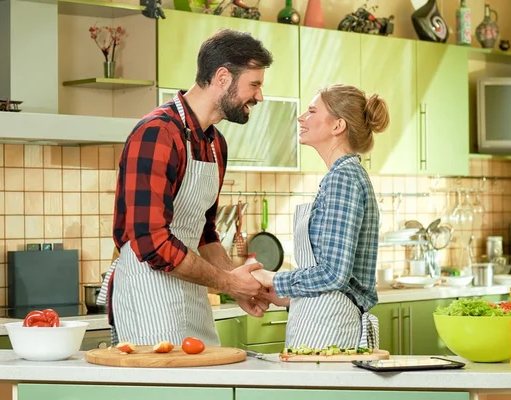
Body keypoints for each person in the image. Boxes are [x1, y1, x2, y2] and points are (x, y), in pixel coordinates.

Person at [97, 28, 274, 347]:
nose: (259, 96)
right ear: (223, 77)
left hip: (192, 292)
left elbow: (205, 233)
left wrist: (238, 281)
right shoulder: (157, 133)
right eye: (255, 84)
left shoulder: (215, 143)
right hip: (147, 295)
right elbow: (152, 241)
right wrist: (230, 284)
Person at [252, 84, 390, 350]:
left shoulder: (343, 178)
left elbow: (334, 274)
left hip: (331, 328)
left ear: (337, 126)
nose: (302, 117)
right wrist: (290, 296)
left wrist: (273, 279)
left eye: (312, 110)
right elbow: (335, 275)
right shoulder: (342, 176)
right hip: (320, 321)